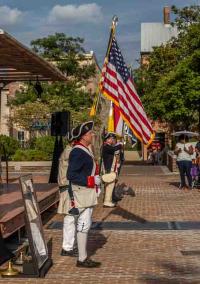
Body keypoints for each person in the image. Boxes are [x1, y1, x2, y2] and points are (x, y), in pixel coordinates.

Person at [61, 121, 101, 268]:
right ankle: (82, 259)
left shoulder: (85, 149)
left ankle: (83, 257)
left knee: (85, 224)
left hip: (87, 191)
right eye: (90, 133)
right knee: (83, 224)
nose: (92, 135)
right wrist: (91, 180)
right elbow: (71, 175)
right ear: (83, 136)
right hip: (81, 192)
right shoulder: (78, 151)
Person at [102, 132, 123, 207]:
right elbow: (114, 149)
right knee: (109, 185)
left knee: (111, 185)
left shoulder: (109, 146)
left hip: (112, 168)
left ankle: (109, 200)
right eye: (112, 138)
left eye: (113, 138)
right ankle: (107, 201)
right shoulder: (106, 146)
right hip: (108, 169)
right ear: (107, 139)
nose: (113, 140)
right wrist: (120, 144)